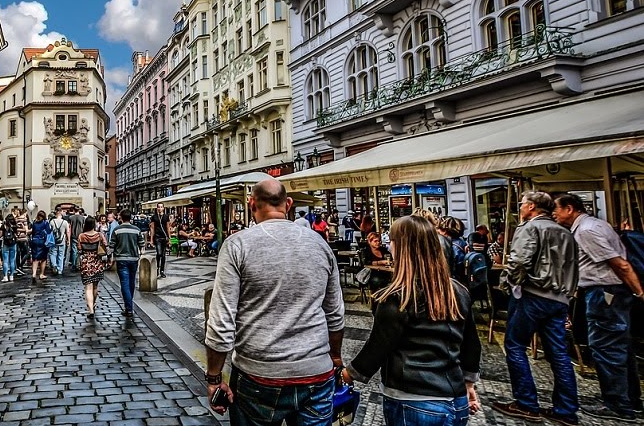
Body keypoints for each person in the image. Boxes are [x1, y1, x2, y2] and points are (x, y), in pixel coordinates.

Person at [206, 179, 345, 425]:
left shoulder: (237, 245)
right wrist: (334, 356)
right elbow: (334, 314)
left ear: (251, 204)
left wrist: (215, 378)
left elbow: (221, 321)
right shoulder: (320, 245)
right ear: (288, 204)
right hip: (315, 373)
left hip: (258, 373)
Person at [344, 215, 482, 426]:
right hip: (456, 398)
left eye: (391, 241)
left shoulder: (397, 297)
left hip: (413, 400)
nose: (389, 246)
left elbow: (378, 347)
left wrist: (348, 374)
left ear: (401, 247)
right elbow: (471, 343)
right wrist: (469, 384)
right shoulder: (457, 291)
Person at [492, 191, 580, 425]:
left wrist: (511, 283)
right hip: (559, 298)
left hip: (532, 294)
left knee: (515, 345)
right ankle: (566, 410)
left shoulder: (530, 228)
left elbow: (518, 261)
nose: (520, 208)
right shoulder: (566, 232)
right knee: (558, 354)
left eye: (522, 205)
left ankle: (526, 403)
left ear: (531, 207)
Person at [553, 194, 644, 421]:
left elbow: (620, 264)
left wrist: (639, 292)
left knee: (606, 347)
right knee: (619, 347)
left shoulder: (586, 230)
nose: (554, 214)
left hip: (605, 294)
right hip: (609, 293)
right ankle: (630, 400)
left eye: (557, 209)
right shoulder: (594, 225)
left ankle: (618, 405)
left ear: (570, 209)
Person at [110, 209, 145, 318]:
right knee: (131, 281)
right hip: (134, 259)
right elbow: (142, 246)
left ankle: (128, 308)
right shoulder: (137, 230)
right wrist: (140, 253)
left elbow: (111, 247)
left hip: (121, 259)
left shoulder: (117, 230)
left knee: (124, 282)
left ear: (121, 217)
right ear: (130, 218)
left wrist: (109, 257)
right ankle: (129, 304)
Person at [78, 216, 108, 317]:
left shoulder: (81, 236)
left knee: (88, 287)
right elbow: (105, 245)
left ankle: (90, 309)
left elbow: (79, 250)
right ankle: (94, 304)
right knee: (95, 286)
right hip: (97, 262)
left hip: (86, 263)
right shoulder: (99, 235)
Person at [149, 203, 172, 278]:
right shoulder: (154, 217)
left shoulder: (166, 217)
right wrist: (151, 240)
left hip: (164, 237)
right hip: (157, 237)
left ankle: (162, 270)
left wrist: (169, 238)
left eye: (161, 207)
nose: (160, 208)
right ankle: (157, 268)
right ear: (157, 208)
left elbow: (168, 228)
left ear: (163, 208)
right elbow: (152, 228)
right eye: (158, 207)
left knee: (163, 254)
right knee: (159, 253)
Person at [28, 210, 51, 282]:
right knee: (43, 258)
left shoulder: (34, 222)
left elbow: (33, 232)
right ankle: (41, 274)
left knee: (35, 258)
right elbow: (48, 232)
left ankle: (34, 274)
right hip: (42, 241)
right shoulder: (45, 223)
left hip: (34, 241)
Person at [49, 209, 70, 275]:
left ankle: (54, 265)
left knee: (53, 254)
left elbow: (49, 231)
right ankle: (60, 269)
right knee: (61, 255)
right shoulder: (65, 222)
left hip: (54, 241)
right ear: (60, 212)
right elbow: (67, 232)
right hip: (62, 240)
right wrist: (68, 240)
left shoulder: (52, 221)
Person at [0, 214, 19, 282]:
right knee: (12, 260)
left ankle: (5, 276)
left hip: (6, 244)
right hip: (13, 244)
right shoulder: (15, 226)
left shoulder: (3, 226)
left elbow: (0, 235)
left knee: (5, 261)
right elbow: (17, 234)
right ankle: (11, 276)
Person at [68, 208, 87, 272]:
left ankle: (74, 265)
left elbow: (69, 228)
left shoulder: (71, 218)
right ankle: (80, 264)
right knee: (81, 251)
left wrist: (68, 238)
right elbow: (84, 227)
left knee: (74, 251)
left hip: (73, 236)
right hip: (81, 236)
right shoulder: (82, 218)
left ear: (73, 210)